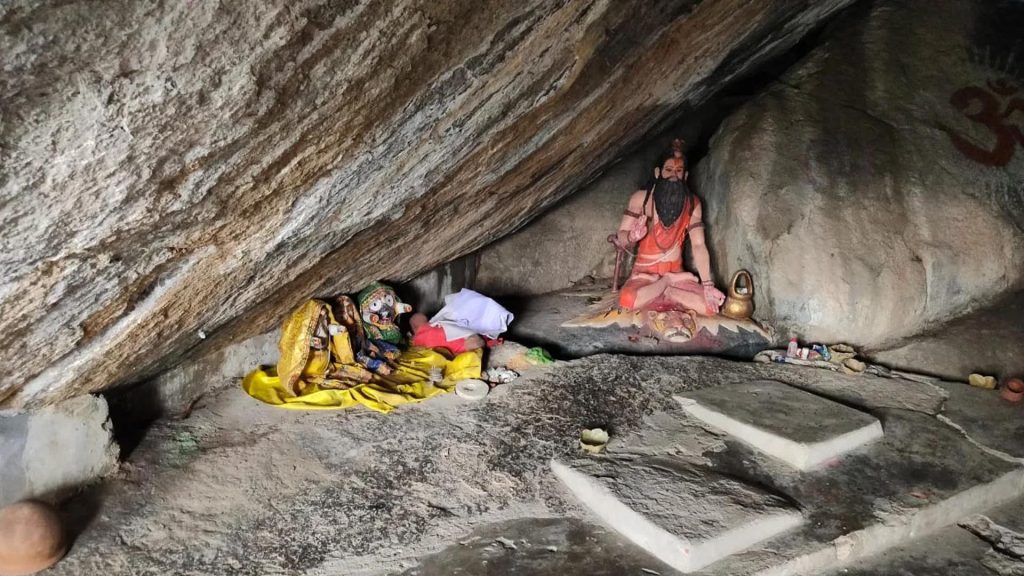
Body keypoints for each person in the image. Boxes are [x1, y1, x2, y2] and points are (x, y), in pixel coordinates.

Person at [614, 139, 725, 315]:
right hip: (644, 274)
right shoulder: (641, 199)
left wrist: (707, 285)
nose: (674, 175)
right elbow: (620, 237)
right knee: (627, 299)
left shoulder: (692, 204)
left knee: (710, 307)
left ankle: (667, 289)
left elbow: (698, 245)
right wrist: (631, 237)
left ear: (685, 176)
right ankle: (665, 284)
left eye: (679, 171)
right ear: (658, 173)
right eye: (669, 170)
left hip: (677, 274)